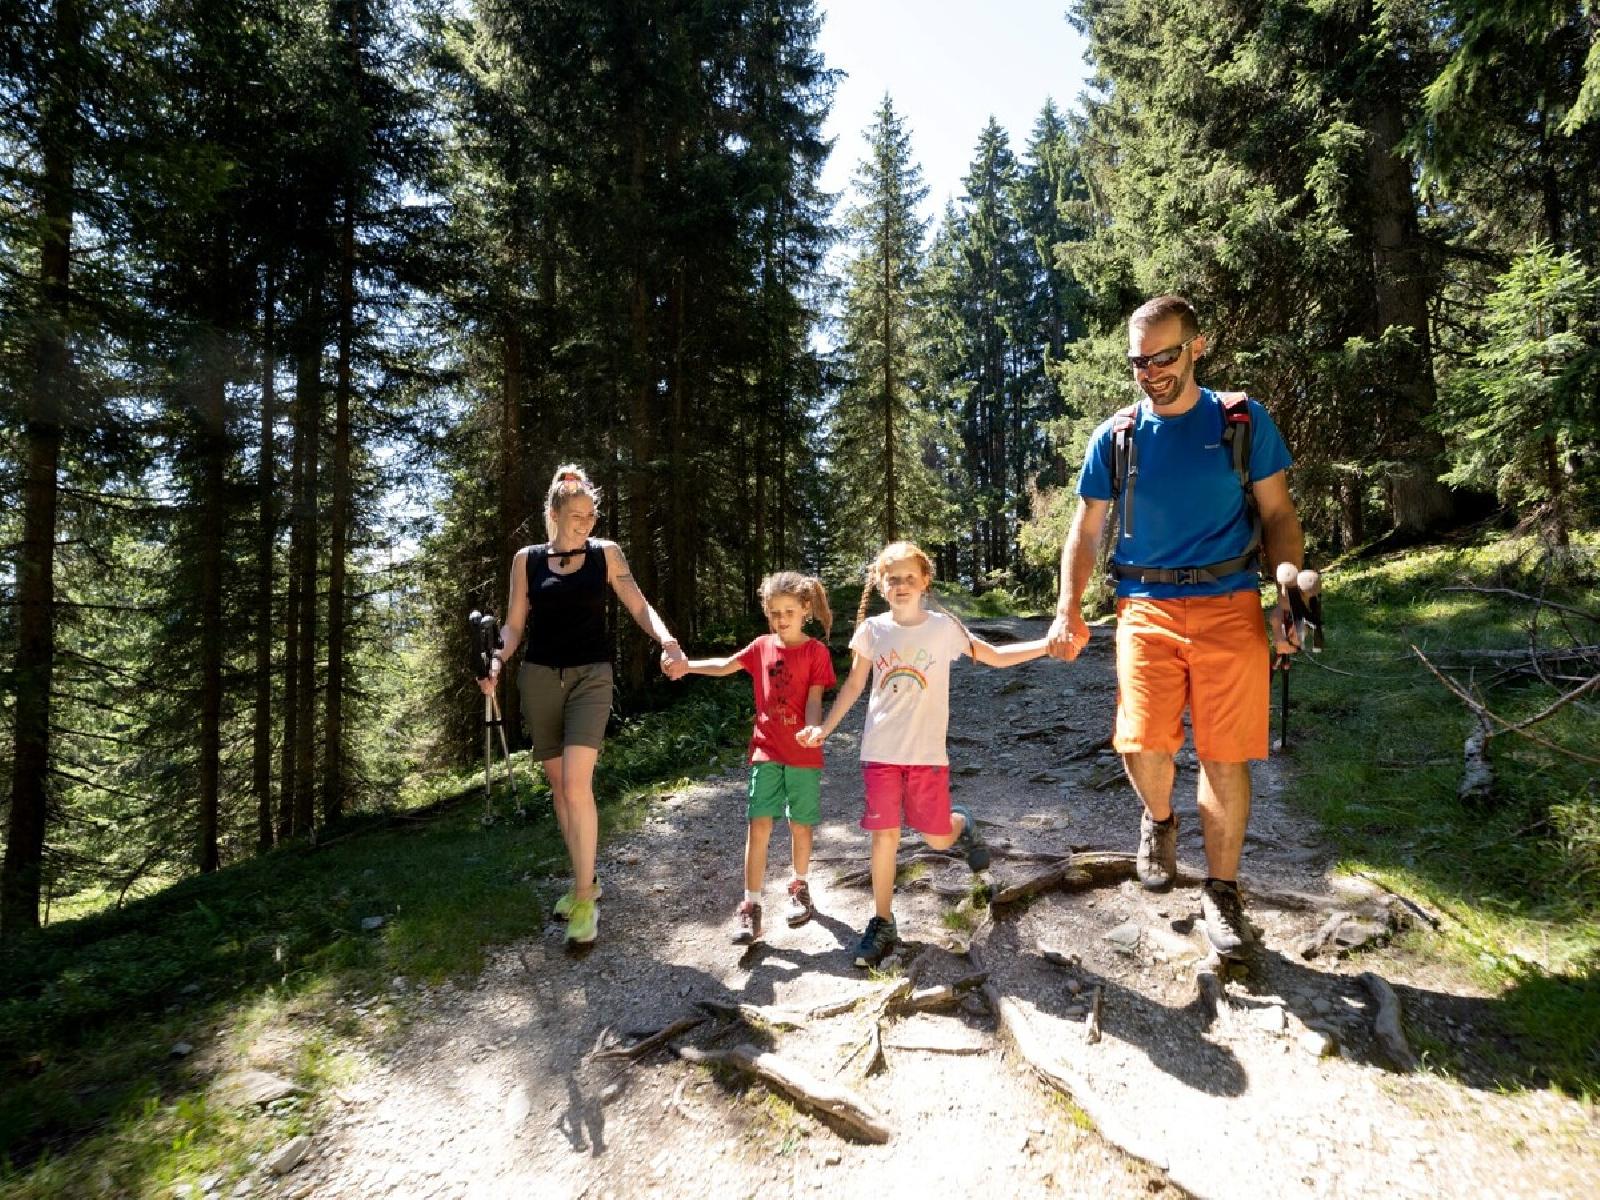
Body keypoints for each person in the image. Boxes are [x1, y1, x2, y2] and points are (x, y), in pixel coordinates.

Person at [1046, 295, 1304, 956]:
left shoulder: (1241, 421)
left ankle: (1222, 890)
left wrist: (1287, 597)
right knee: (1141, 741)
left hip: (1230, 603)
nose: (1151, 372)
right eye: (1139, 362)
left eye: (1163, 357)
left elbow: (1279, 515)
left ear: (1197, 346)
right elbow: (1086, 530)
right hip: (1143, 605)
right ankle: (1159, 819)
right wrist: (1068, 606)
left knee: (1223, 754)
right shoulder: (1117, 436)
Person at [798, 541, 1053, 968]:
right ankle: (883, 922)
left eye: (909, 578)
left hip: (927, 756)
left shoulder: (943, 628)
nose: (901, 585)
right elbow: (855, 686)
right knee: (885, 835)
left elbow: (992, 655)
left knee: (937, 838)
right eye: (892, 578)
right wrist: (824, 729)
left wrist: (1046, 645)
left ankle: (962, 824)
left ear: (924, 582)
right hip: (880, 752)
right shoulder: (872, 630)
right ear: (880, 583)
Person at [480, 464, 688, 946]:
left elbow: (639, 604)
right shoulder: (527, 560)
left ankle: (584, 899)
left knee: (577, 783)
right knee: (560, 789)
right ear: (554, 514)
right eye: (577, 515)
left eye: (591, 514)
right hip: (539, 679)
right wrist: (496, 660)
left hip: (592, 677)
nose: (587, 522)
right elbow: (514, 625)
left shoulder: (605, 554)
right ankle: (583, 878)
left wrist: (667, 640)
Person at [673, 572, 838, 945]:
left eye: (789, 611)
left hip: (803, 753)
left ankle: (799, 887)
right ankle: (752, 906)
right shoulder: (761, 646)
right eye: (775, 612)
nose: (782, 619)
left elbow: (814, 700)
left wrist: (813, 729)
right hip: (765, 749)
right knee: (759, 824)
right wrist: (688, 666)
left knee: (800, 825)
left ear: (805, 610)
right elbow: (725, 665)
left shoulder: (816, 652)